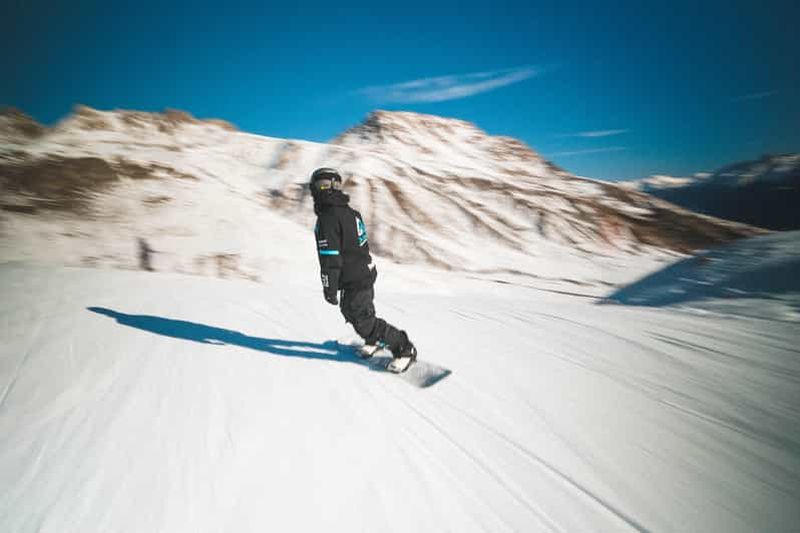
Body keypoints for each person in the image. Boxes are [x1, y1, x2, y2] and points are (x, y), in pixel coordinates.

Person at [309, 167, 417, 373]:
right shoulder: (350, 213)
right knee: (351, 310)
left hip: (355, 276)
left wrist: (329, 287)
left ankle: (404, 348)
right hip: (361, 272)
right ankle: (373, 340)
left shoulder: (327, 217)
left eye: (317, 186)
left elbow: (330, 257)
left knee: (363, 320)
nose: (316, 191)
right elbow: (360, 244)